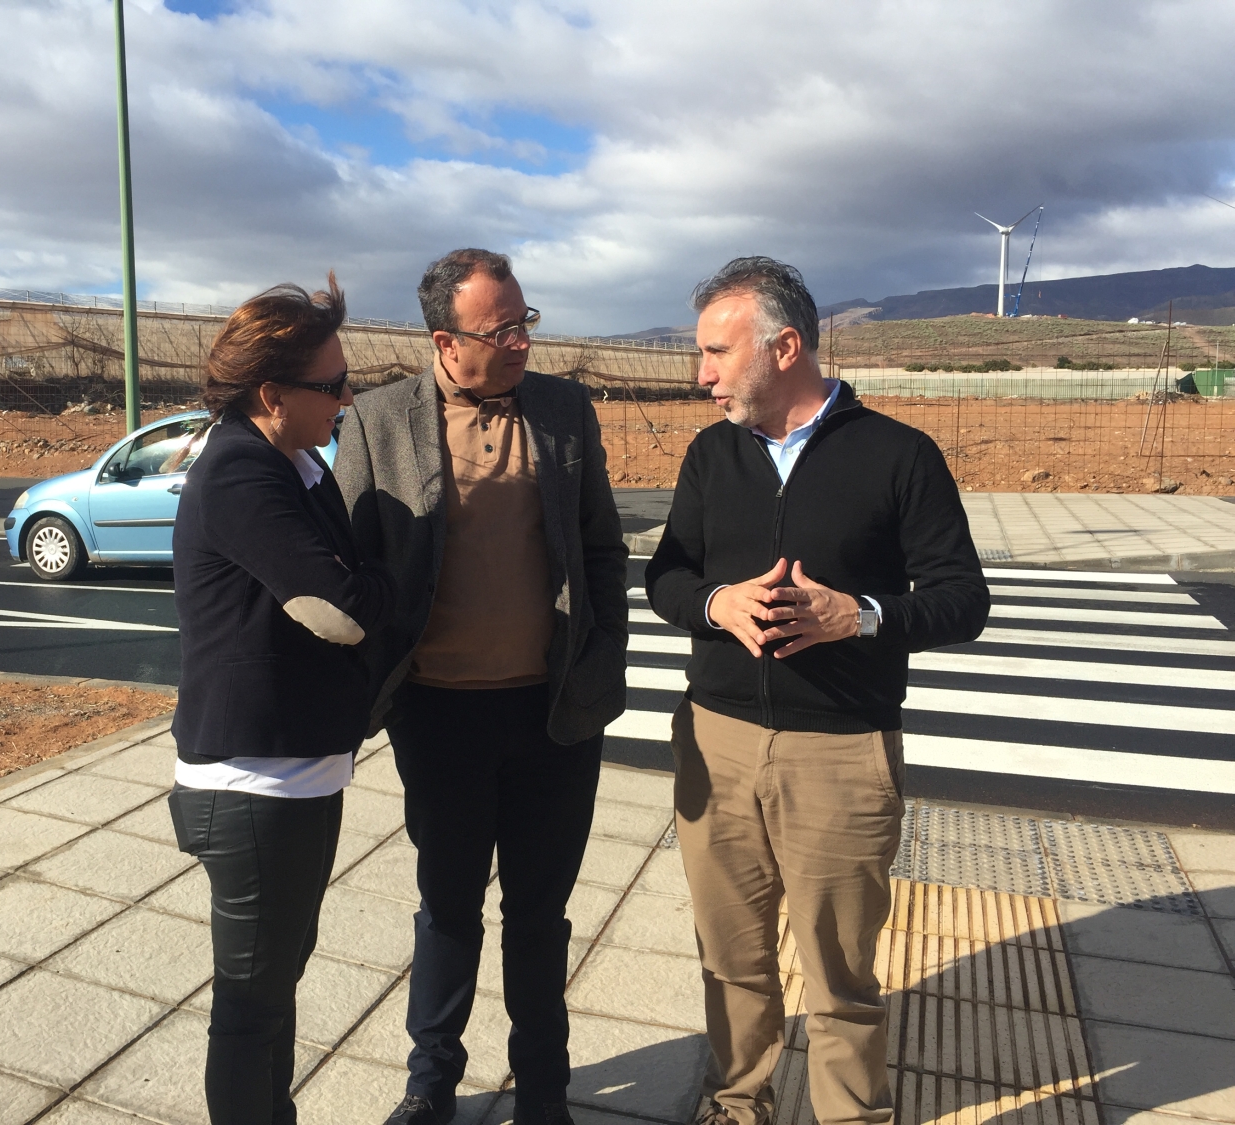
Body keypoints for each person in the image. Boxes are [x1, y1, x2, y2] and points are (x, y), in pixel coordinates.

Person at [644, 257, 989, 1125]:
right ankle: (736, 1100)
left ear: (785, 346)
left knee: (839, 975)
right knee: (731, 955)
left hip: (840, 751)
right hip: (715, 738)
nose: (703, 374)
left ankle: (850, 1116)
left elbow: (963, 598)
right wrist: (718, 603)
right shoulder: (711, 453)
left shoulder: (899, 455)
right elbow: (667, 575)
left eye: (718, 352)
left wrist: (861, 613)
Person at [333, 249, 628, 1125]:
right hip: (439, 714)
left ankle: (543, 1089)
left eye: (524, 322)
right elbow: (352, 564)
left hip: (553, 713)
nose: (519, 342)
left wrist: (603, 659)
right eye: (498, 330)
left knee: (541, 912)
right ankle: (432, 1083)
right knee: (449, 904)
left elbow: (603, 547)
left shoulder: (566, 410)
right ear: (443, 340)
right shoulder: (379, 421)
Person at [166, 275, 396, 1125]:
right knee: (251, 1004)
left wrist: (364, 581)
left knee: (278, 980)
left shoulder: (291, 460)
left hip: (294, 776)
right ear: (272, 394)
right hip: (254, 785)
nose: (347, 397)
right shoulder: (239, 473)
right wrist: (378, 586)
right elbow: (336, 610)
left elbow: (342, 581)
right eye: (332, 385)